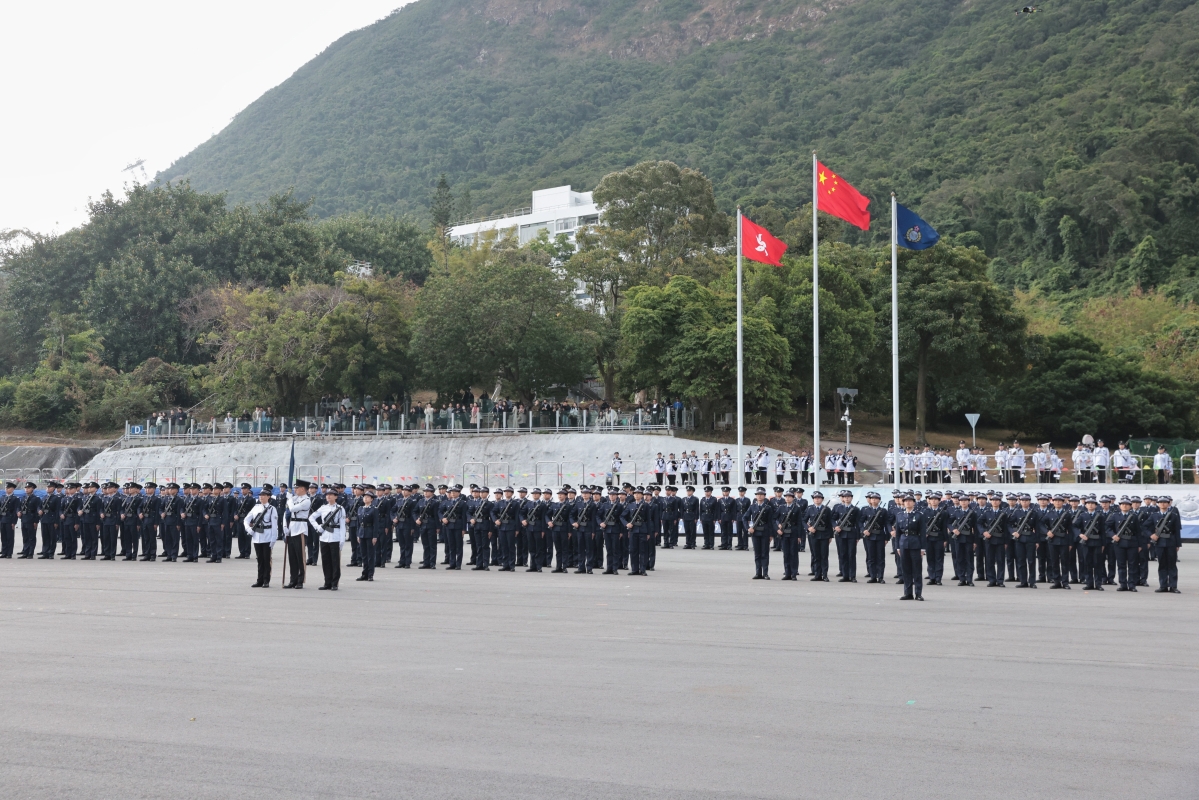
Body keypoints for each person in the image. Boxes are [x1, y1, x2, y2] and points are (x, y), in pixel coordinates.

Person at [892, 494, 926, 600]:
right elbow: (897, 533)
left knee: (917, 570)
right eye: (906, 501)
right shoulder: (900, 515)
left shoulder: (919, 515)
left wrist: (923, 548)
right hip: (903, 544)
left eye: (910, 501)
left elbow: (922, 532)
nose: (908, 502)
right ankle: (908, 593)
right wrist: (897, 546)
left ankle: (918, 593)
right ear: (903, 502)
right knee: (905, 570)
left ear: (914, 503)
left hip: (915, 543)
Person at [245, 485, 279, 588]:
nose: (261, 497)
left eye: (264, 495)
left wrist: (273, 539)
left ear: (268, 496)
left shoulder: (272, 509)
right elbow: (246, 520)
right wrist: (249, 529)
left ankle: (266, 580)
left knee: (266, 559)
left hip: (267, 536)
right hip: (257, 537)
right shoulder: (256, 508)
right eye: (260, 495)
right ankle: (259, 580)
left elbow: (274, 525)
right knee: (259, 559)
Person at [1149, 496, 1181, 593]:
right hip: (1159, 543)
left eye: (1165, 502)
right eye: (1161, 502)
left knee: (1172, 565)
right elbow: (1144, 527)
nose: (1163, 504)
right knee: (1162, 565)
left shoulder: (1174, 516)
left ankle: (1173, 586)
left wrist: (1178, 544)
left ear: (1168, 504)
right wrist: (1151, 535)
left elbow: (1177, 531)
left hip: (1171, 542)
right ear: (1158, 504)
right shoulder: (1154, 516)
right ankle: (1163, 585)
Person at [1073, 495, 1106, 590]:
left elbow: (1103, 531)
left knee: (1098, 563)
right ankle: (1089, 583)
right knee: (1087, 563)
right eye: (1088, 503)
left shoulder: (1100, 516)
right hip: (1086, 543)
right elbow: (1074, 526)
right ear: (1085, 505)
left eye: (1092, 503)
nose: (1090, 505)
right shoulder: (1082, 516)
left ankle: (1098, 583)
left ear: (1096, 505)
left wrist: (1103, 544)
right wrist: (1080, 534)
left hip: (1097, 542)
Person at [285, 479, 312, 588]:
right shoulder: (295, 498)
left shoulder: (306, 500)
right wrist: (285, 527)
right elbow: (286, 512)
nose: (295, 490)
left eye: (297, 488)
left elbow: (292, 509)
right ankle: (293, 580)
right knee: (292, 556)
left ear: (302, 489)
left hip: (300, 529)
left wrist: (289, 500)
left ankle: (300, 580)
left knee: (300, 556)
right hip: (292, 528)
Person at [831, 489, 860, 582]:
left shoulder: (855, 509)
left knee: (851, 555)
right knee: (843, 554)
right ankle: (845, 575)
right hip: (841, 533)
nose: (847, 498)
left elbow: (858, 523)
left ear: (851, 498)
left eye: (848, 497)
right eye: (845, 497)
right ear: (842, 498)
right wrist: (835, 526)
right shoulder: (838, 508)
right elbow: (832, 519)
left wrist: (858, 536)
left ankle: (852, 576)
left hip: (851, 533)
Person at [746, 487, 774, 579]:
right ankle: (758, 573)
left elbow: (771, 522)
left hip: (765, 532)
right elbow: (744, 518)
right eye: (758, 494)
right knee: (757, 553)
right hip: (755, 532)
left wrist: (771, 534)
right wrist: (748, 528)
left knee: (765, 554)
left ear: (764, 496)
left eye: (761, 494)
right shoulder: (752, 506)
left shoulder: (768, 508)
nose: (759, 496)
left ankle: (765, 573)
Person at [805, 490, 833, 581]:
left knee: (824, 556)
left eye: (819, 498)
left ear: (822, 499)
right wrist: (808, 528)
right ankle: (817, 574)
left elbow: (830, 523)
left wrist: (830, 536)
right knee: (816, 555)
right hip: (814, 535)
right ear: (813, 499)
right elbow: (803, 520)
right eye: (815, 498)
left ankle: (824, 575)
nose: (817, 500)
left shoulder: (827, 509)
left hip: (824, 535)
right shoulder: (810, 509)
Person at [440, 485, 467, 570]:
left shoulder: (462, 503)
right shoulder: (447, 502)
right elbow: (439, 511)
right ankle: (452, 563)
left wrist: (463, 529)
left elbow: (464, 516)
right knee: (451, 545)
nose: (453, 493)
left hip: (458, 525)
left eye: (455, 492)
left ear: (459, 493)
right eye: (451, 492)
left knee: (458, 545)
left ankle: (458, 564)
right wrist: (442, 518)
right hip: (449, 525)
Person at [356, 489, 379, 582]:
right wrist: (358, 534)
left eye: (368, 497)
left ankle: (370, 574)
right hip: (362, 533)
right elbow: (358, 523)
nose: (365, 498)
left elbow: (376, 524)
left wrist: (375, 536)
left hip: (370, 533)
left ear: (372, 499)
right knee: (363, 555)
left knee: (370, 555)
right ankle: (364, 574)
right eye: (364, 497)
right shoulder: (360, 508)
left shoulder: (374, 509)